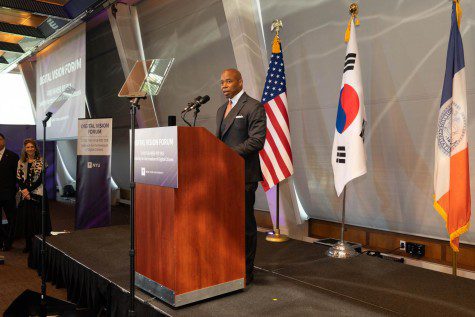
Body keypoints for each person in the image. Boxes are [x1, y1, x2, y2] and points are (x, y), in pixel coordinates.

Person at [215, 69, 266, 284]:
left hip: (244, 176)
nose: (224, 85)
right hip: (223, 177)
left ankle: (246, 271)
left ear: (240, 82)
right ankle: (229, 265)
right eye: (221, 82)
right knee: (226, 224)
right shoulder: (220, 110)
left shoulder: (253, 106)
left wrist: (228, 154)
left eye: (228, 81)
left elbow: (257, 141)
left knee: (245, 225)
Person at [16, 138, 51, 253]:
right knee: (27, 221)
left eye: (32, 147)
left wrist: (28, 191)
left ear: (35, 148)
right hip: (25, 195)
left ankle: (39, 245)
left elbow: (40, 180)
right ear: (24, 149)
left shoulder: (41, 161)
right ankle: (28, 245)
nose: (30, 149)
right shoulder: (21, 161)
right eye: (27, 147)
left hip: (38, 194)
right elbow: (19, 178)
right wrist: (24, 191)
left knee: (38, 221)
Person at [0, 133, 19, 251]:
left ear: (4, 141)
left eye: (0, 139)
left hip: (8, 194)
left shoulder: (13, 156)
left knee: (11, 219)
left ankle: (8, 242)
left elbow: (17, 176)